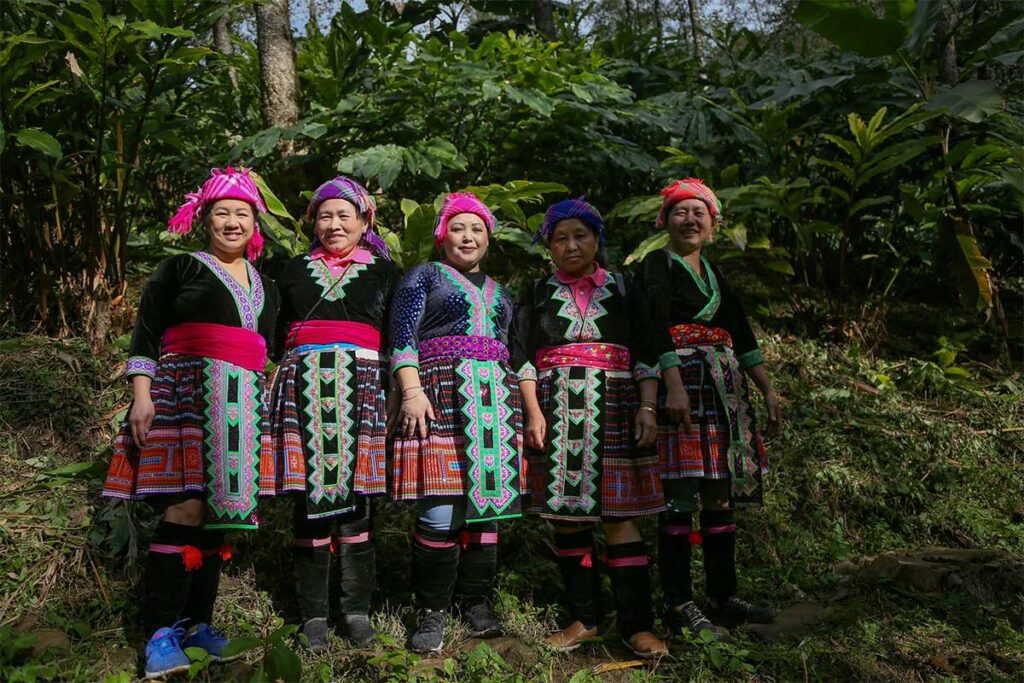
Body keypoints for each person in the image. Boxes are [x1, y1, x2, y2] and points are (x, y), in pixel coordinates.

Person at [102, 167, 280, 679]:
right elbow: (146, 335)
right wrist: (142, 396)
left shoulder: (266, 284)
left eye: (241, 214)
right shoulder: (178, 269)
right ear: (204, 219)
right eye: (221, 213)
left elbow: (264, 349)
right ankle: (160, 632)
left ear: (255, 224)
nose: (232, 221)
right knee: (183, 507)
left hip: (240, 406)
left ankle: (198, 625)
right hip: (184, 394)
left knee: (219, 514)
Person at [514, 198, 668, 658]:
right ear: (550, 248)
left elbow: (646, 347)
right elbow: (520, 354)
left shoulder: (622, 287)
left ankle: (638, 625)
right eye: (560, 238)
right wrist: (532, 412)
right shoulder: (537, 292)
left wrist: (648, 406)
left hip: (618, 405)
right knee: (567, 520)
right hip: (557, 410)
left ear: (597, 240)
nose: (571, 245)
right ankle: (585, 619)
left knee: (622, 518)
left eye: (580, 235)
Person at [635, 178, 782, 638]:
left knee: (719, 493)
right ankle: (679, 602)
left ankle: (723, 596)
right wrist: (672, 387)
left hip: (724, 391)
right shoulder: (656, 265)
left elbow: (742, 334)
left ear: (712, 225)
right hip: (683, 385)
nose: (690, 219)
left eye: (699, 212)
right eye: (680, 212)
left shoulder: (718, 276)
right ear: (666, 222)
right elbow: (652, 326)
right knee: (681, 493)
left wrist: (768, 390)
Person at [262, 176, 400, 650]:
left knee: (359, 500)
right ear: (312, 222)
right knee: (308, 502)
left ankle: (357, 610)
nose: (334, 224)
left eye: (345, 215)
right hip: (302, 390)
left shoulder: (385, 273)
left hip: (362, 389)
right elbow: (274, 335)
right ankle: (314, 615)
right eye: (325, 215)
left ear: (366, 222)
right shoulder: (292, 270)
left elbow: (398, 338)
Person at [388, 193, 523, 653]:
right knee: (440, 505)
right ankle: (432, 612)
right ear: (442, 235)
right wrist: (411, 391)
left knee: (489, 504)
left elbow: (516, 351)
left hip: (496, 402)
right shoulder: (423, 276)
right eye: (458, 228)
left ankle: (476, 602)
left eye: (477, 229)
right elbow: (401, 338)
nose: (468, 236)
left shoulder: (502, 292)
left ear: (489, 238)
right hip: (437, 394)